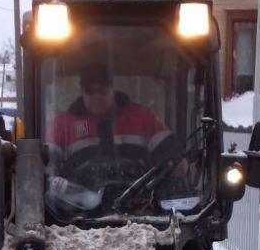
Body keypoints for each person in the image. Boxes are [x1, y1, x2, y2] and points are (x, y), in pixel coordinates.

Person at [46, 64, 178, 185]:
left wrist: (176, 160)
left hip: (139, 201)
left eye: (102, 90)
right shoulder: (62, 125)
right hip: (78, 207)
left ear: (112, 89)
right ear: (82, 91)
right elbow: (47, 167)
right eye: (90, 91)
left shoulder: (141, 116)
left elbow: (173, 156)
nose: (97, 96)